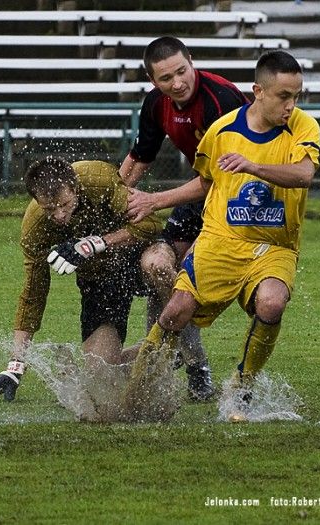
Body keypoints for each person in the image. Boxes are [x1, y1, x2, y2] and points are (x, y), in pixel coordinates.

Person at [125, 50, 320, 422]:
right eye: (283, 96)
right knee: (175, 311)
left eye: (296, 96)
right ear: (258, 92)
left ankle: (241, 388)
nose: (291, 105)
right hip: (221, 240)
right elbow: (205, 181)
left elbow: (304, 174)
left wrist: (253, 166)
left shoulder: (303, 126)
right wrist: (153, 200)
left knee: (272, 302)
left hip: (275, 245)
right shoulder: (222, 130)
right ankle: (138, 393)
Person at [120, 36, 249, 401]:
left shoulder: (220, 100)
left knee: (186, 281)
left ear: (191, 61)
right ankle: (176, 360)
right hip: (201, 192)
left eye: (182, 71)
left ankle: (189, 366)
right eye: (166, 78)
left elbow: (218, 179)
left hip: (239, 199)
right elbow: (140, 158)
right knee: (160, 271)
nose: (177, 83)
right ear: (152, 81)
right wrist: (111, 200)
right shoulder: (155, 104)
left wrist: (154, 201)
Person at [0, 157, 162, 404]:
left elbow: (152, 224)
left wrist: (96, 243)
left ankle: (178, 328)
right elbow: (33, 293)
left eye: (64, 204)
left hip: (137, 253)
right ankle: (161, 351)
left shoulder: (98, 179)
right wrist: (15, 366)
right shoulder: (35, 227)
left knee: (159, 264)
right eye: (49, 209)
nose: (59, 214)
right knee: (99, 377)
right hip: (100, 279)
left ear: (75, 187)